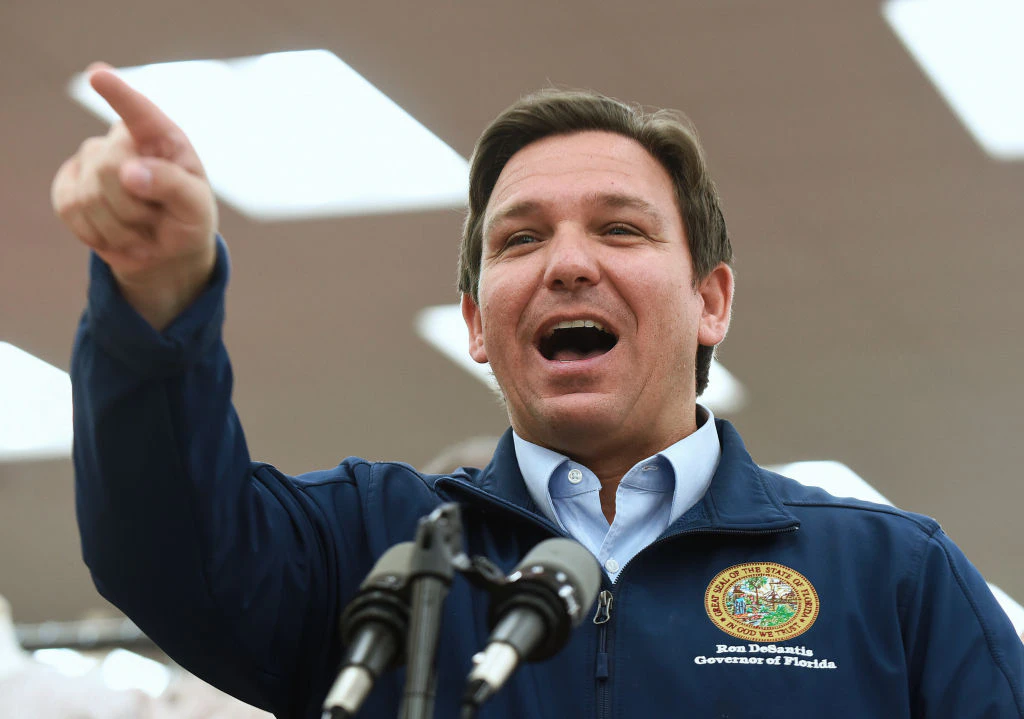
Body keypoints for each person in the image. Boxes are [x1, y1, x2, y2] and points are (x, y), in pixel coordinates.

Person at [54, 65, 1024, 718]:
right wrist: (155, 292)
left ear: (709, 302)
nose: (566, 263)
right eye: (520, 239)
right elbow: (164, 546)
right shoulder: (373, 548)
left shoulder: (893, 580)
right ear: (478, 321)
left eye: (619, 229)